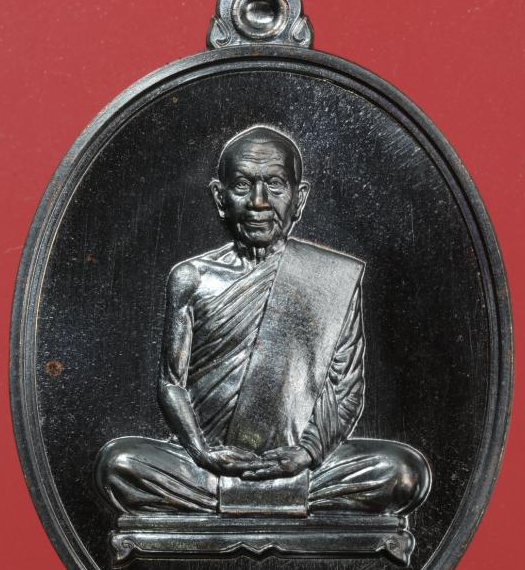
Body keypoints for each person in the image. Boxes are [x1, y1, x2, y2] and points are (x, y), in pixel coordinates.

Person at [96, 126, 431, 516]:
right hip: (207, 467)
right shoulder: (191, 278)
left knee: (402, 472)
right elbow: (172, 383)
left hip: (300, 467)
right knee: (119, 465)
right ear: (220, 198)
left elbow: (346, 390)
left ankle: (243, 498)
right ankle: (270, 499)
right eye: (242, 185)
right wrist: (202, 452)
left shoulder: (331, 278)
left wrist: (306, 454)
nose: (258, 202)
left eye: (274, 184)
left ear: (298, 198)